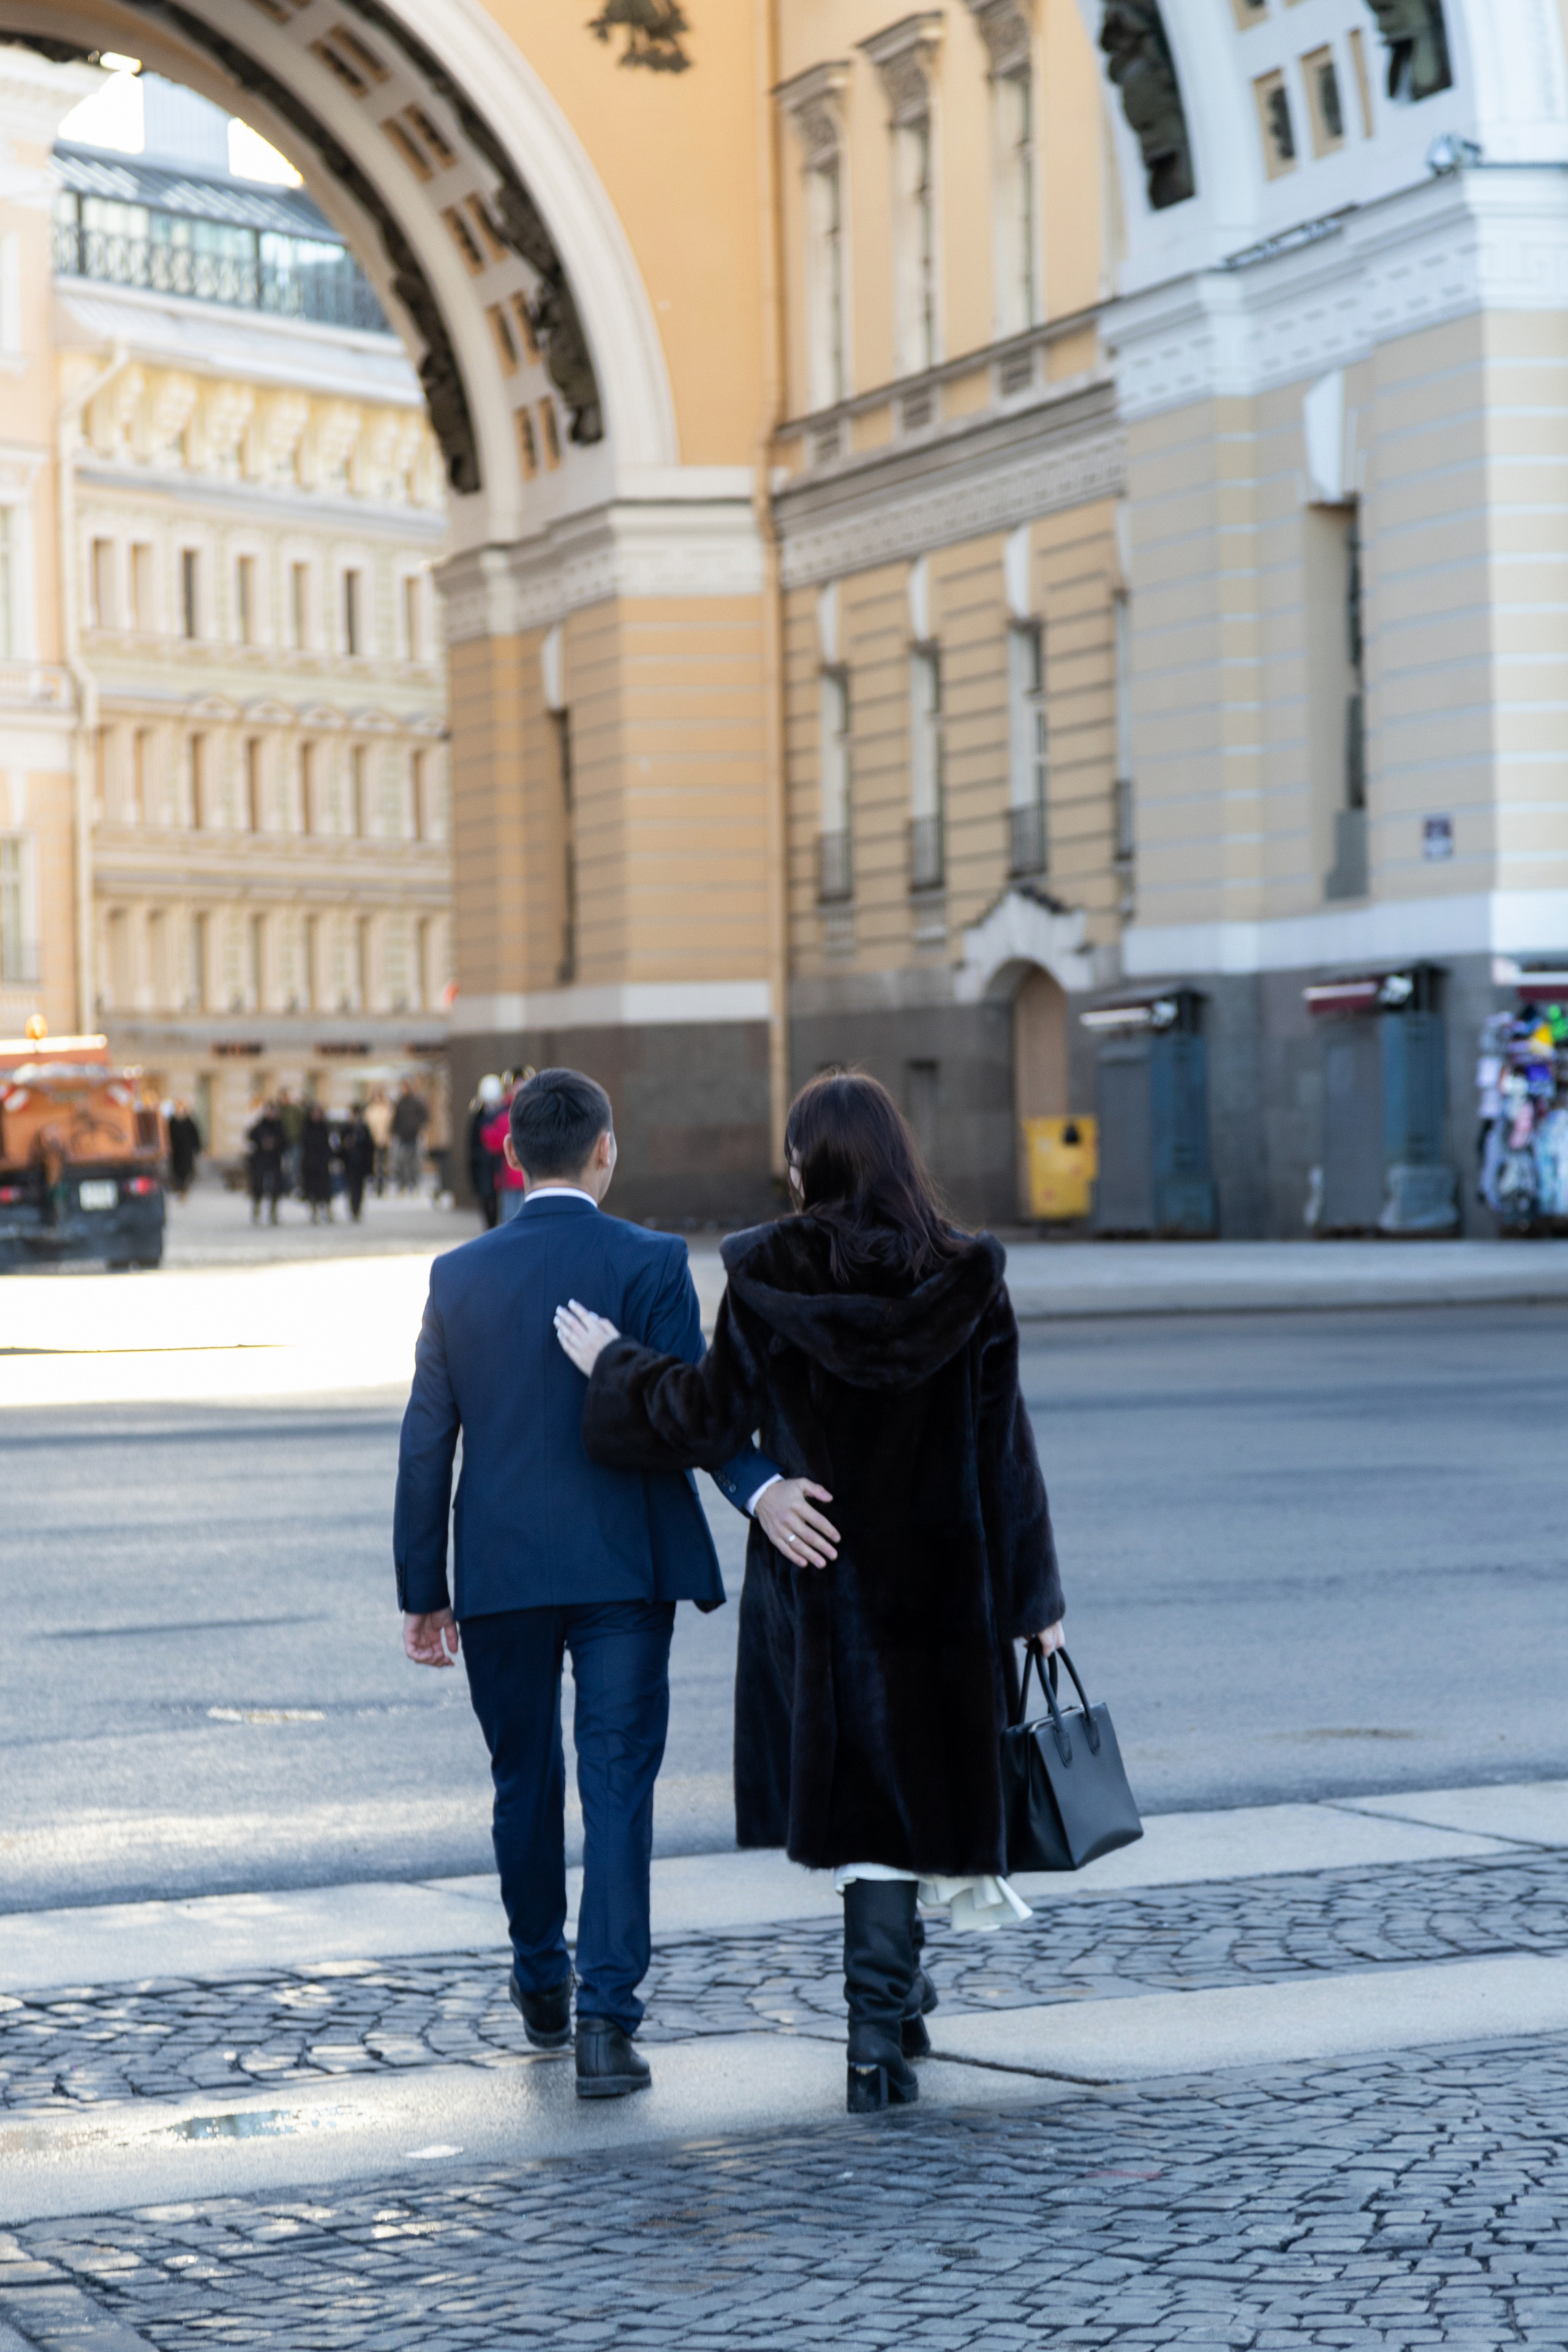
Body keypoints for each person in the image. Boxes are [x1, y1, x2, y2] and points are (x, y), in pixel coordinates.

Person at [555, 1069, 1066, 2117]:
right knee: (916, 1792)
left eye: (793, 1155)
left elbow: (702, 1416)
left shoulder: (769, 1274)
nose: (785, 1173)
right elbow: (1004, 1448)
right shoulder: (968, 1275)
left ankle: (882, 2036)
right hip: (945, 1585)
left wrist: (614, 1364)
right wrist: (1035, 1597)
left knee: (868, 1807)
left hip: (823, 1577)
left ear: (815, 1164)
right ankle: (888, 2024)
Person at [395, 1068, 806, 2100]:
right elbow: (696, 1409)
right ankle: (605, 2027)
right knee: (620, 1786)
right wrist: (757, 1488)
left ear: (509, 1155)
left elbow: (426, 1443)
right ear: (607, 1149)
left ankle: (541, 1981)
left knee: (522, 1782)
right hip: (625, 1568)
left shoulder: (458, 1275)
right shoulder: (650, 1260)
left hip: (498, 1574)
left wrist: (423, 1587)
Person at [480, 1083, 527, 1223]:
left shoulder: (503, 1114)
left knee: (512, 1216)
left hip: (521, 1175)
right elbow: (491, 1141)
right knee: (512, 1214)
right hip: (510, 1176)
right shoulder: (503, 1114)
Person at [469, 1074, 504, 1229]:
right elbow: (473, 1142)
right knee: (487, 1199)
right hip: (484, 1164)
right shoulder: (478, 1115)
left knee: (499, 1201)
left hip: (499, 1164)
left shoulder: (503, 1113)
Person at [245, 1101, 286, 1224]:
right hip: (260, 1159)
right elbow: (251, 1136)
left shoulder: (280, 1126)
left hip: (274, 1159)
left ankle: (273, 1212)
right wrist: (262, 1142)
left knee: (276, 1187)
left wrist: (275, 1144)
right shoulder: (260, 1125)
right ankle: (256, 1210)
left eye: (274, 1112)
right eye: (270, 1111)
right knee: (258, 1185)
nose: (272, 1114)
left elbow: (285, 1142)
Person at [300, 1102, 336, 1223]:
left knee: (325, 1190)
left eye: (319, 1113)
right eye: (315, 1113)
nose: (317, 1115)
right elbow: (304, 1146)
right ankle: (314, 1211)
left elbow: (330, 1145)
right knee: (312, 1190)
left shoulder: (325, 1128)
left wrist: (330, 1158)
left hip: (323, 1163)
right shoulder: (307, 1128)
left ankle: (328, 1211)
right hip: (310, 1163)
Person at [339, 1104, 375, 1222]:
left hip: (361, 1163)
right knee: (351, 1187)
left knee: (360, 1188)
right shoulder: (346, 1128)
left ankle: (357, 1210)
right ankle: (353, 1209)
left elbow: (370, 1146)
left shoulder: (364, 1128)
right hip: (349, 1163)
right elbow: (340, 1146)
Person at [391, 1082, 429, 1193]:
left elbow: (424, 1116)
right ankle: (402, 1184)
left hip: (414, 1136)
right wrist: (394, 1132)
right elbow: (395, 1119)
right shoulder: (400, 1103)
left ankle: (414, 1184)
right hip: (402, 1137)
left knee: (414, 1163)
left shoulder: (416, 1102)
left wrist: (419, 1126)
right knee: (401, 1161)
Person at [167, 1101, 202, 1198]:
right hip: (176, 1150)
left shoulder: (189, 1121)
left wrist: (197, 1147)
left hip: (187, 1149)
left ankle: (184, 1188)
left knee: (187, 1169)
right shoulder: (173, 1121)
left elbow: (195, 1135)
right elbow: (169, 1135)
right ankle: (180, 1187)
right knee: (177, 1170)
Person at [364, 1088, 394, 1195]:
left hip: (385, 1141)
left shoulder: (388, 1110)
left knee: (385, 1166)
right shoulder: (370, 1111)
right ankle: (377, 1186)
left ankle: (383, 1186)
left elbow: (391, 1125)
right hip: (374, 1142)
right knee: (376, 1166)